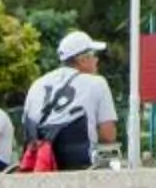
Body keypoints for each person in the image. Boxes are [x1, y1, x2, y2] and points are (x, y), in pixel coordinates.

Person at [20, 30, 118, 171]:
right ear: (81, 60)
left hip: (39, 159)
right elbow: (107, 135)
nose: (97, 60)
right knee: (113, 155)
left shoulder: (37, 83)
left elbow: (26, 126)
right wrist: (111, 163)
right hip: (79, 160)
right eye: (93, 55)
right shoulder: (97, 83)